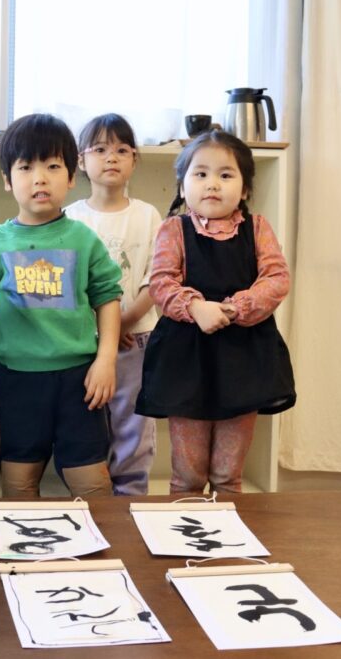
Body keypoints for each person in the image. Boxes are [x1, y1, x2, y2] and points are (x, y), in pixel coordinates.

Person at [0, 113, 123, 498]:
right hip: (17, 380)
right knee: (19, 479)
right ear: (7, 179)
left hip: (80, 380)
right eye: (26, 167)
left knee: (92, 482)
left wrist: (106, 361)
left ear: (71, 177)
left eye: (52, 166)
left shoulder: (83, 238)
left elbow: (108, 297)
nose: (39, 178)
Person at [135, 130, 296, 495]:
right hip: (186, 360)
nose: (212, 184)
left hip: (244, 359)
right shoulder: (173, 229)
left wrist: (234, 308)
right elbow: (161, 282)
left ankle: (231, 527)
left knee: (227, 475)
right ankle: (183, 526)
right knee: (188, 476)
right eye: (200, 173)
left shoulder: (258, 228)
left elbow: (276, 278)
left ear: (245, 189)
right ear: (182, 186)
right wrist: (196, 307)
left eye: (225, 175)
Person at [63, 113, 162, 496]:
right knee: (87, 422)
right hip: (84, 340)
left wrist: (121, 323)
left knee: (133, 424)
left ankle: (131, 499)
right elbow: (67, 285)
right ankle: (92, 500)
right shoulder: (71, 217)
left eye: (122, 150)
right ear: (81, 160)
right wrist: (103, 328)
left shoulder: (147, 215)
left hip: (137, 339)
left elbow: (157, 278)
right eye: (100, 149)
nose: (111, 157)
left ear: (134, 160)